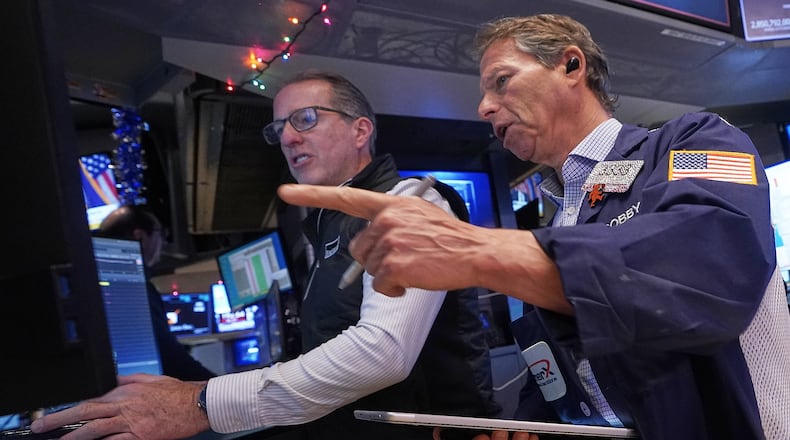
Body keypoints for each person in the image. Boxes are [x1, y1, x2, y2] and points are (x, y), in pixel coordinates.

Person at [274, 14, 790, 440]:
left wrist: (477, 251)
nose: (483, 107)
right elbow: (569, 380)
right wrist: (527, 428)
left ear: (571, 64)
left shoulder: (693, 141)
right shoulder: (554, 217)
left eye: (501, 81)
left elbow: (703, 275)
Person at [31, 71, 500, 440]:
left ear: (361, 131)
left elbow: (384, 353)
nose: (289, 138)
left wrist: (202, 401)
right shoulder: (322, 228)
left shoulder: (411, 203)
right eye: (280, 128)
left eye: (307, 119)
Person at [97, 205, 217, 381]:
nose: (164, 242)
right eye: (161, 234)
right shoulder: (131, 287)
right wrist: (223, 390)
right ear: (140, 237)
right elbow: (172, 359)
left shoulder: (99, 279)